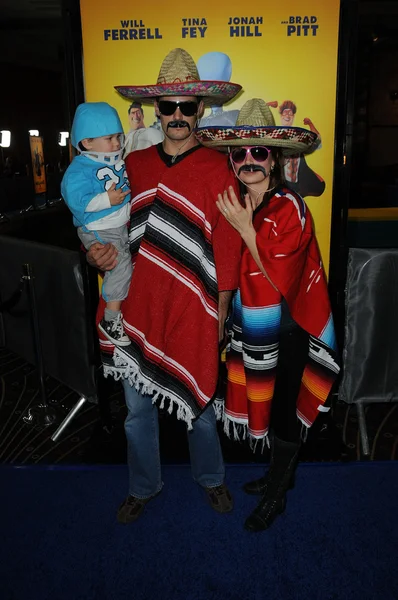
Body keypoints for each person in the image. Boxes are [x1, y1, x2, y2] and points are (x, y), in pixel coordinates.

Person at [87, 48, 242, 523]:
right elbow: (109, 227)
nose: (177, 116)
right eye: (168, 106)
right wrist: (96, 252)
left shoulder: (218, 168)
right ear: (157, 108)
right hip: (137, 303)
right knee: (136, 412)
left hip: (194, 303)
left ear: (200, 109)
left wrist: (220, 308)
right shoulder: (133, 164)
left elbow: (230, 245)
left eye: (186, 106)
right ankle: (143, 485)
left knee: (200, 403)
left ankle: (211, 479)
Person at [196, 98, 340, 532]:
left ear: (275, 159)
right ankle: (282, 474)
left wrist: (244, 228)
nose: (248, 161)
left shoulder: (288, 206)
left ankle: (278, 492)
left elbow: (282, 272)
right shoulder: (240, 203)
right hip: (256, 326)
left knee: (284, 411)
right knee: (274, 400)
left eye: (258, 152)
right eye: (239, 154)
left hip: (292, 326)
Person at [61, 102, 132, 347]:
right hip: (98, 227)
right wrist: (106, 199)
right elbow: (75, 199)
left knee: (124, 265)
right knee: (121, 265)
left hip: (117, 226)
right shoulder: (79, 168)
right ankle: (110, 319)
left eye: (117, 137)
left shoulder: (115, 160)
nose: (116, 143)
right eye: (109, 138)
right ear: (87, 142)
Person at [278, 100, 325, 198]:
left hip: (298, 183)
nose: (287, 115)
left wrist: (310, 124)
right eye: (285, 112)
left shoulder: (299, 137)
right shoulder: (275, 137)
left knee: (320, 187)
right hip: (282, 183)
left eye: (290, 113)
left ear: (293, 116)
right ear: (281, 115)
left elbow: (318, 141)